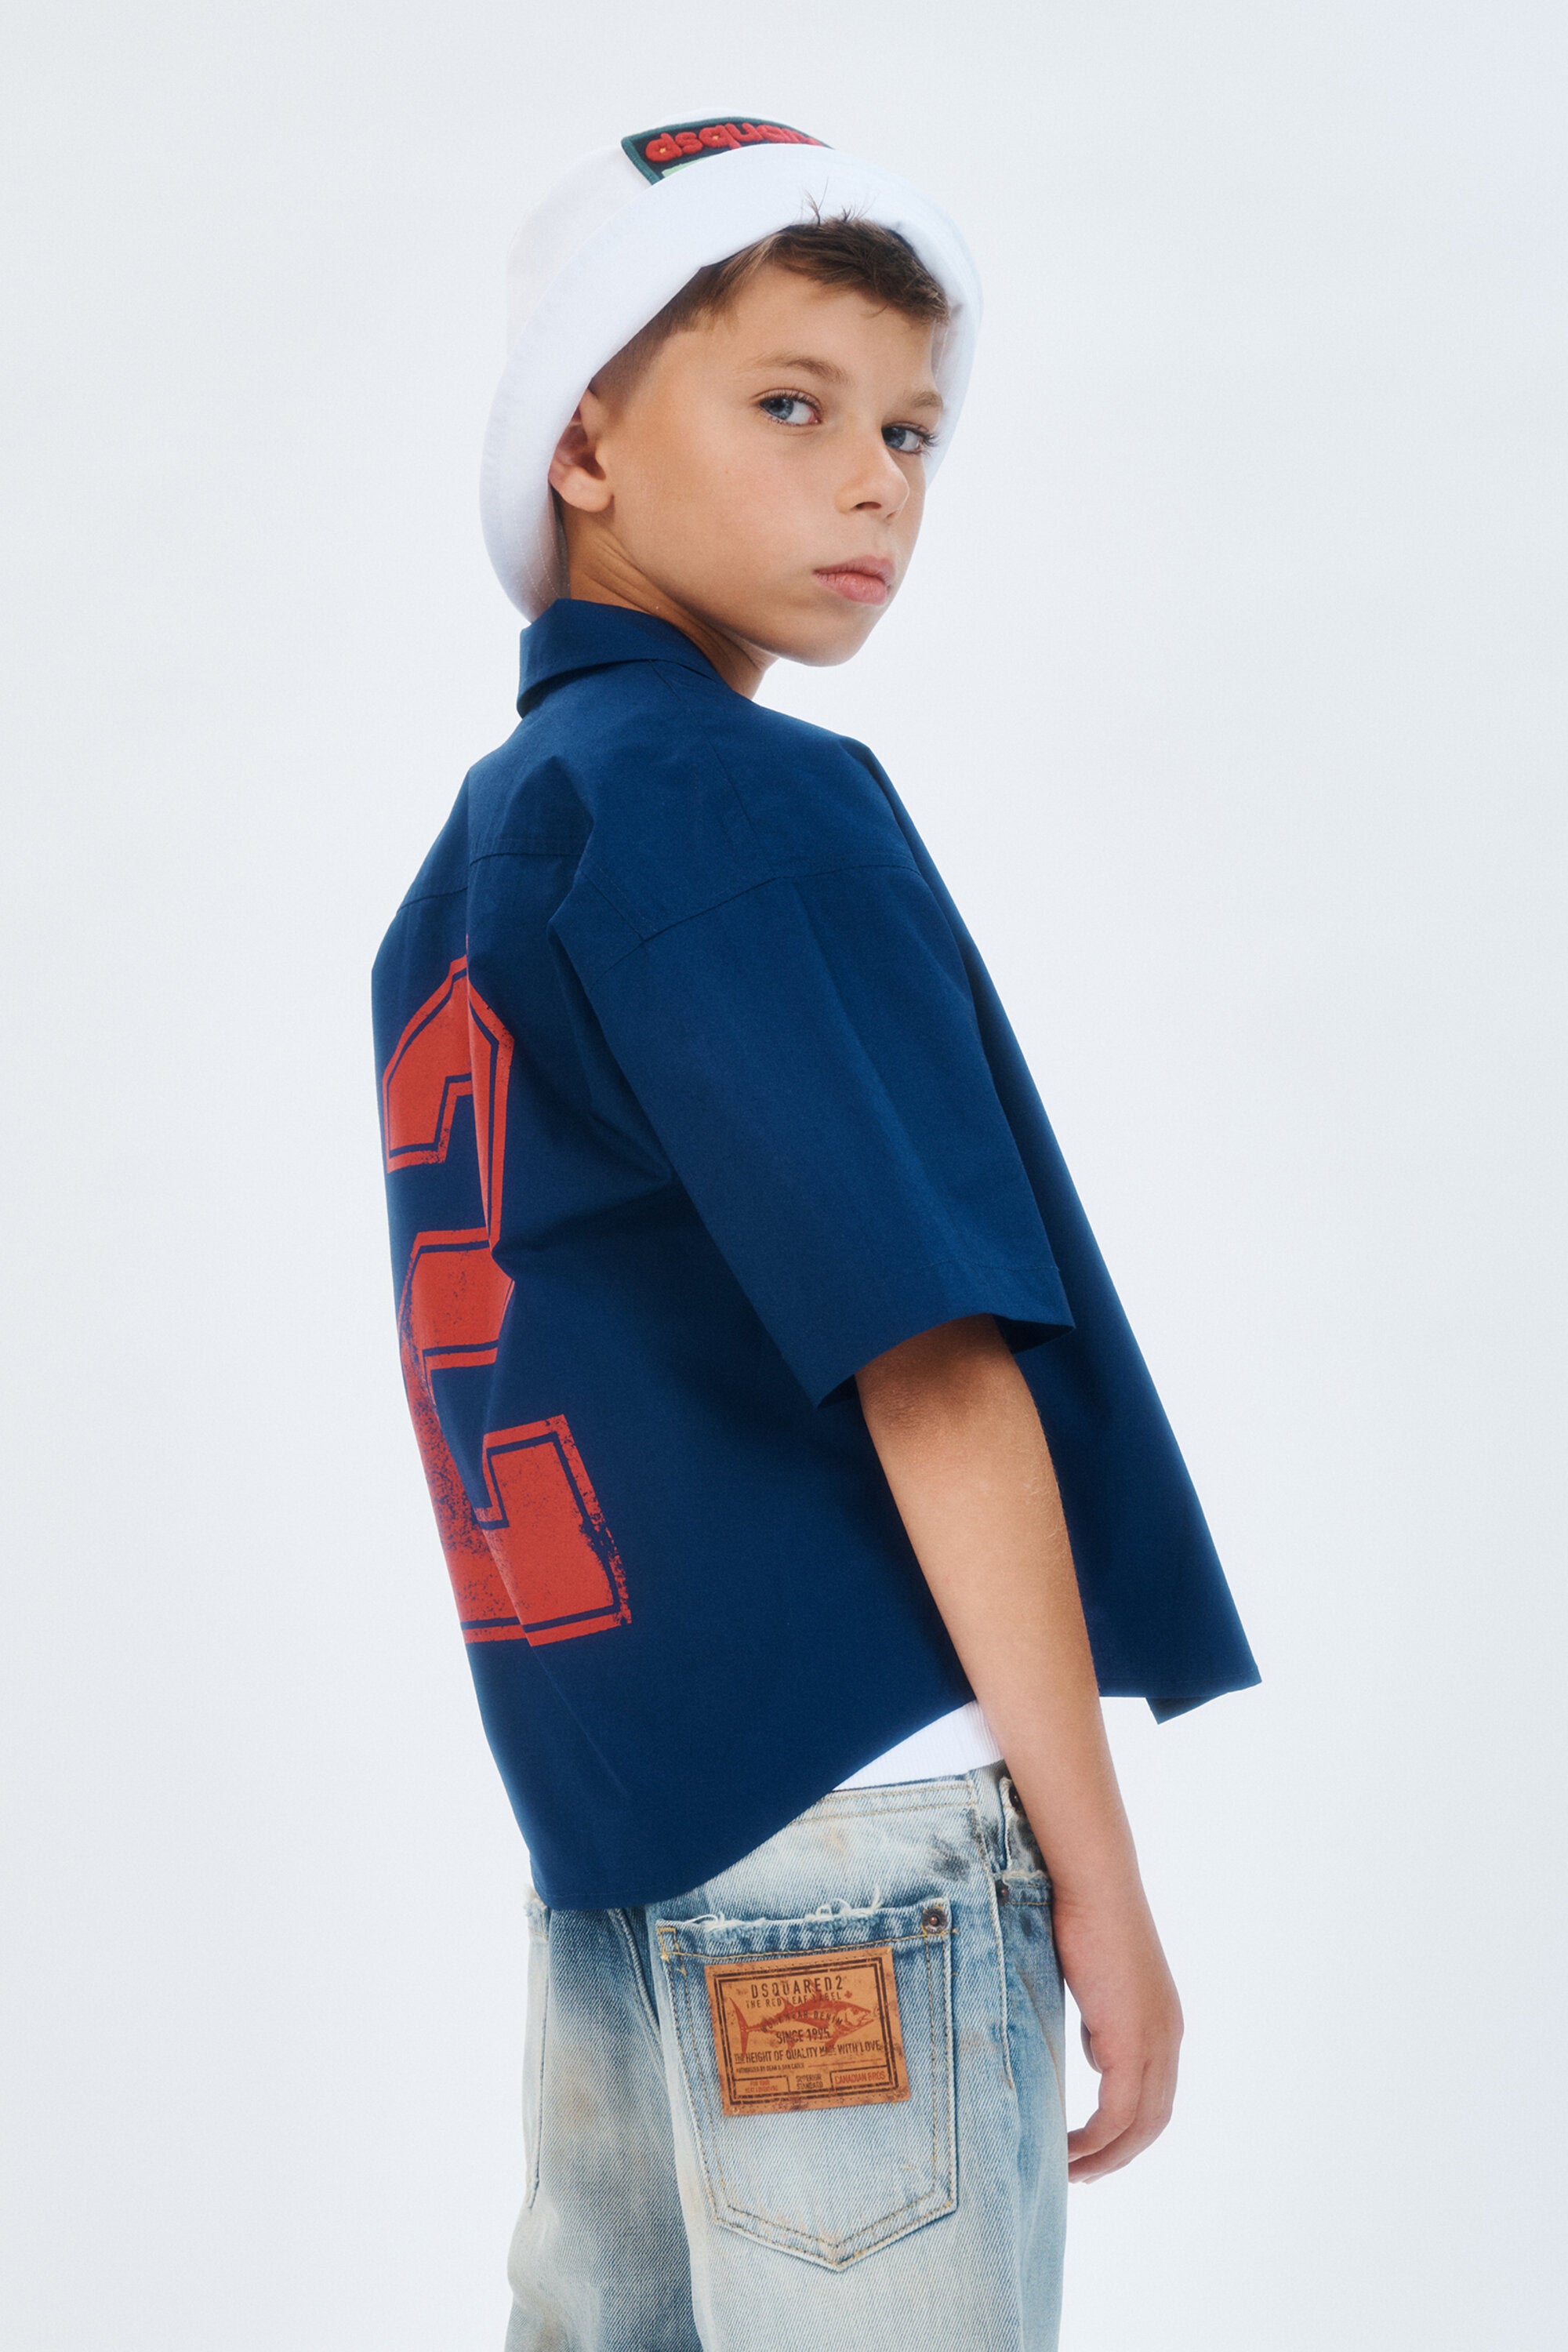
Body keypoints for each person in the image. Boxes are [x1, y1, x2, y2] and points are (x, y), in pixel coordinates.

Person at [371, 114, 1260, 2352]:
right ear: (583, 444)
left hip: (623, 1817)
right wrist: (1098, 1883)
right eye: (792, 404)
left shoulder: (495, 841)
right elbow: (930, 1363)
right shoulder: (737, 798)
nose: (876, 481)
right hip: (857, 1826)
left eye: (911, 430)